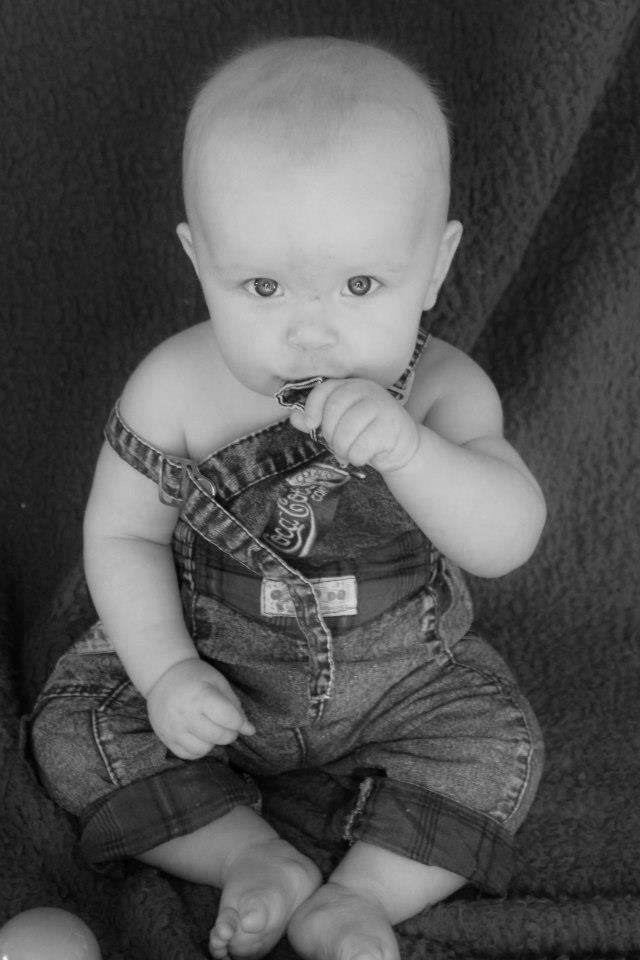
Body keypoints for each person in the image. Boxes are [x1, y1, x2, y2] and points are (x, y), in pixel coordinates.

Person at [31, 36, 546, 960]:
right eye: (263, 285)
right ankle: (249, 856)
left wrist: (414, 451)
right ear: (199, 259)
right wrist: (165, 672)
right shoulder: (173, 387)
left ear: (435, 266)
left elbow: (505, 538)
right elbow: (122, 535)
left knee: (495, 746)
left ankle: (361, 897)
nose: (312, 333)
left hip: (402, 681)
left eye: (361, 284)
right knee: (78, 731)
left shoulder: (444, 389)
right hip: (216, 664)